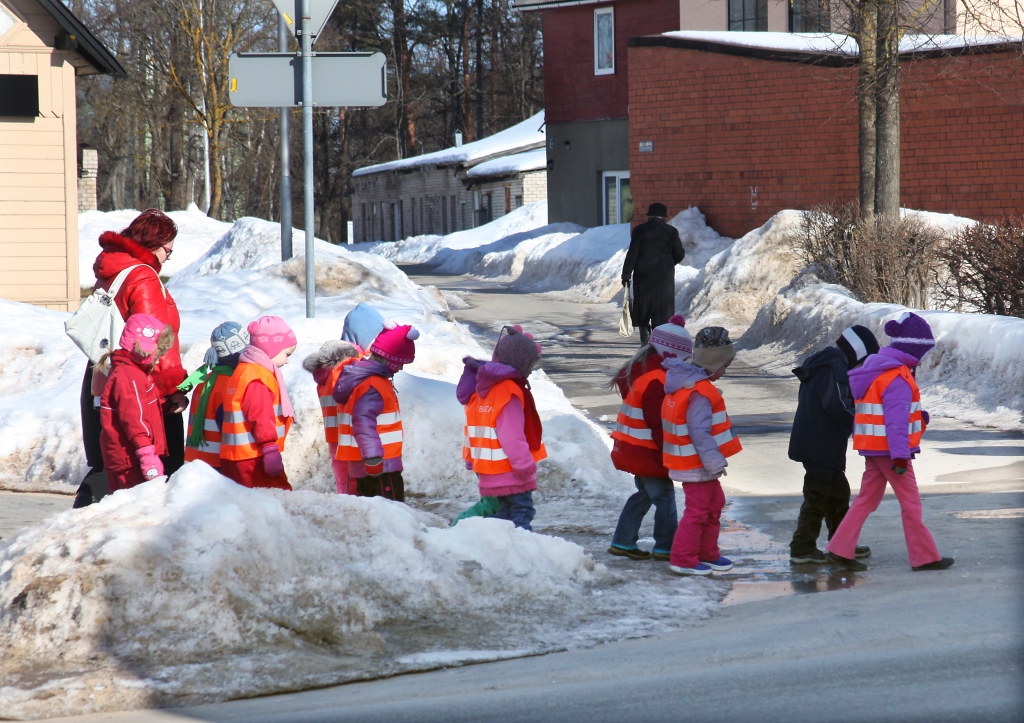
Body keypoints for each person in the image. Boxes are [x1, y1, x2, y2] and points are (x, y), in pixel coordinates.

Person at [74, 209, 189, 508]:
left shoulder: (114, 270)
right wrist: (172, 389)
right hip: (142, 381)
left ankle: (85, 519)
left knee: (113, 455)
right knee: (158, 461)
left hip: (104, 371)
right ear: (153, 243)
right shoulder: (143, 276)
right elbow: (154, 339)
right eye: (167, 250)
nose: (168, 257)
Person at [826, 312, 954, 572]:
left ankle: (839, 549)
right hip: (891, 452)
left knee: (866, 500)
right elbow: (895, 423)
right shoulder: (897, 377)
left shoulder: (875, 371)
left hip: (873, 448)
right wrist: (900, 455)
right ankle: (924, 557)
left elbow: (883, 414)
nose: (922, 358)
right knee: (911, 503)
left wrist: (918, 419)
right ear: (913, 349)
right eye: (923, 352)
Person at [788, 326, 880, 564]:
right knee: (818, 496)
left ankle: (841, 544)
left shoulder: (827, 363)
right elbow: (837, 404)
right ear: (856, 353)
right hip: (819, 443)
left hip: (822, 443)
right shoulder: (832, 367)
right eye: (863, 360)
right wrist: (863, 418)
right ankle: (802, 548)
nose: (861, 366)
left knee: (838, 494)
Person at [606, 315, 692, 561]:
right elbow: (658, 423)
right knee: (665, 499)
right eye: (684, 359)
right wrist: (671, 453)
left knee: (643, 495)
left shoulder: (643, 371)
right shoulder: (657, 379)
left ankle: (623, 541)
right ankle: (666, 546)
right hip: (650, 450)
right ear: (670, 354)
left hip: (636, 448)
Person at [662, 327, 742, 576]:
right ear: (713, 363)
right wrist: (714, 462)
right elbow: (699, 431)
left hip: (697, 462)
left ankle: (707, 553)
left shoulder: (691, 385)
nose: (725, 371)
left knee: (715, 503)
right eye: (724, 365)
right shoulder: (699, 392)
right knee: (697, 511)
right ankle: (683, 559)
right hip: (695, 464)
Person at [461, 326, 546, 530]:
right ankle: (520, 546)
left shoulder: (481, 388)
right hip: (510, 470)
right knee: (522, 511)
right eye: (530, 364)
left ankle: (495, 542)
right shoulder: (509, 391)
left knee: (503, 513)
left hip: (488, 469)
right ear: (520, 363)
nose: (531, 370)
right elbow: (511, 435)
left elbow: (472, 428)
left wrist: (472, 460)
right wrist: (523, 465)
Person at [303, 303, 385, 494]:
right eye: (376, 339)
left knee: (348, 482)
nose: (378, 344)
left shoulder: (339, 366)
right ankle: (350, 511)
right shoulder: (348, 366)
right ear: (361, 336)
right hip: (348, 436)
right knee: (353, 485)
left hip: (340, 435)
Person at [334, 321, 420, 501]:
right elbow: (363, 421)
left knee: (375, 509)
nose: (401, 368)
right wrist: (373, 457)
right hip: (379, 466)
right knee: (392, 509)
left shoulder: (364, 380)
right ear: (389, 359)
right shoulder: (373, 384)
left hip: (366, 464)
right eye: (400, 363)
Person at [97, 314, 175, 492]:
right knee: (138, 504)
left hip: (129, 456)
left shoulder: (129, 372)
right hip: (132, 458)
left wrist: (165, 405)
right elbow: (134, 420)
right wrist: (147, 455)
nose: (158, 359)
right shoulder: (129, 377)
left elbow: (137, 407)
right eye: (157, 353)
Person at [219, 316, 297, 490]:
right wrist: (269, 448)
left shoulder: (243, 371)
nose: (287, 361)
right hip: (254, 456)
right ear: (272, 349)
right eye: (286, 354)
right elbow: (260, 416)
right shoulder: (257, 377)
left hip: (236, 455)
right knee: (277, 496)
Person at [182, 322, 249, 469]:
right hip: (220, 464)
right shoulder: (231, 385)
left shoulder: (205, 381)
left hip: (196, 463)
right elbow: (231, 430)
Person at [621, 202, 686, 345]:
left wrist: (626, 274)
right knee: (663, 306)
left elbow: (633, 253)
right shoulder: (671, 232)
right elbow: (680, 254)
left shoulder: (640, 230)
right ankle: (659, 338)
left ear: (649, 216)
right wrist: (669, 263)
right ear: (664, 217)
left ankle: (644, 336)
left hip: (643, 274)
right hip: (664, 275)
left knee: (643, 303)